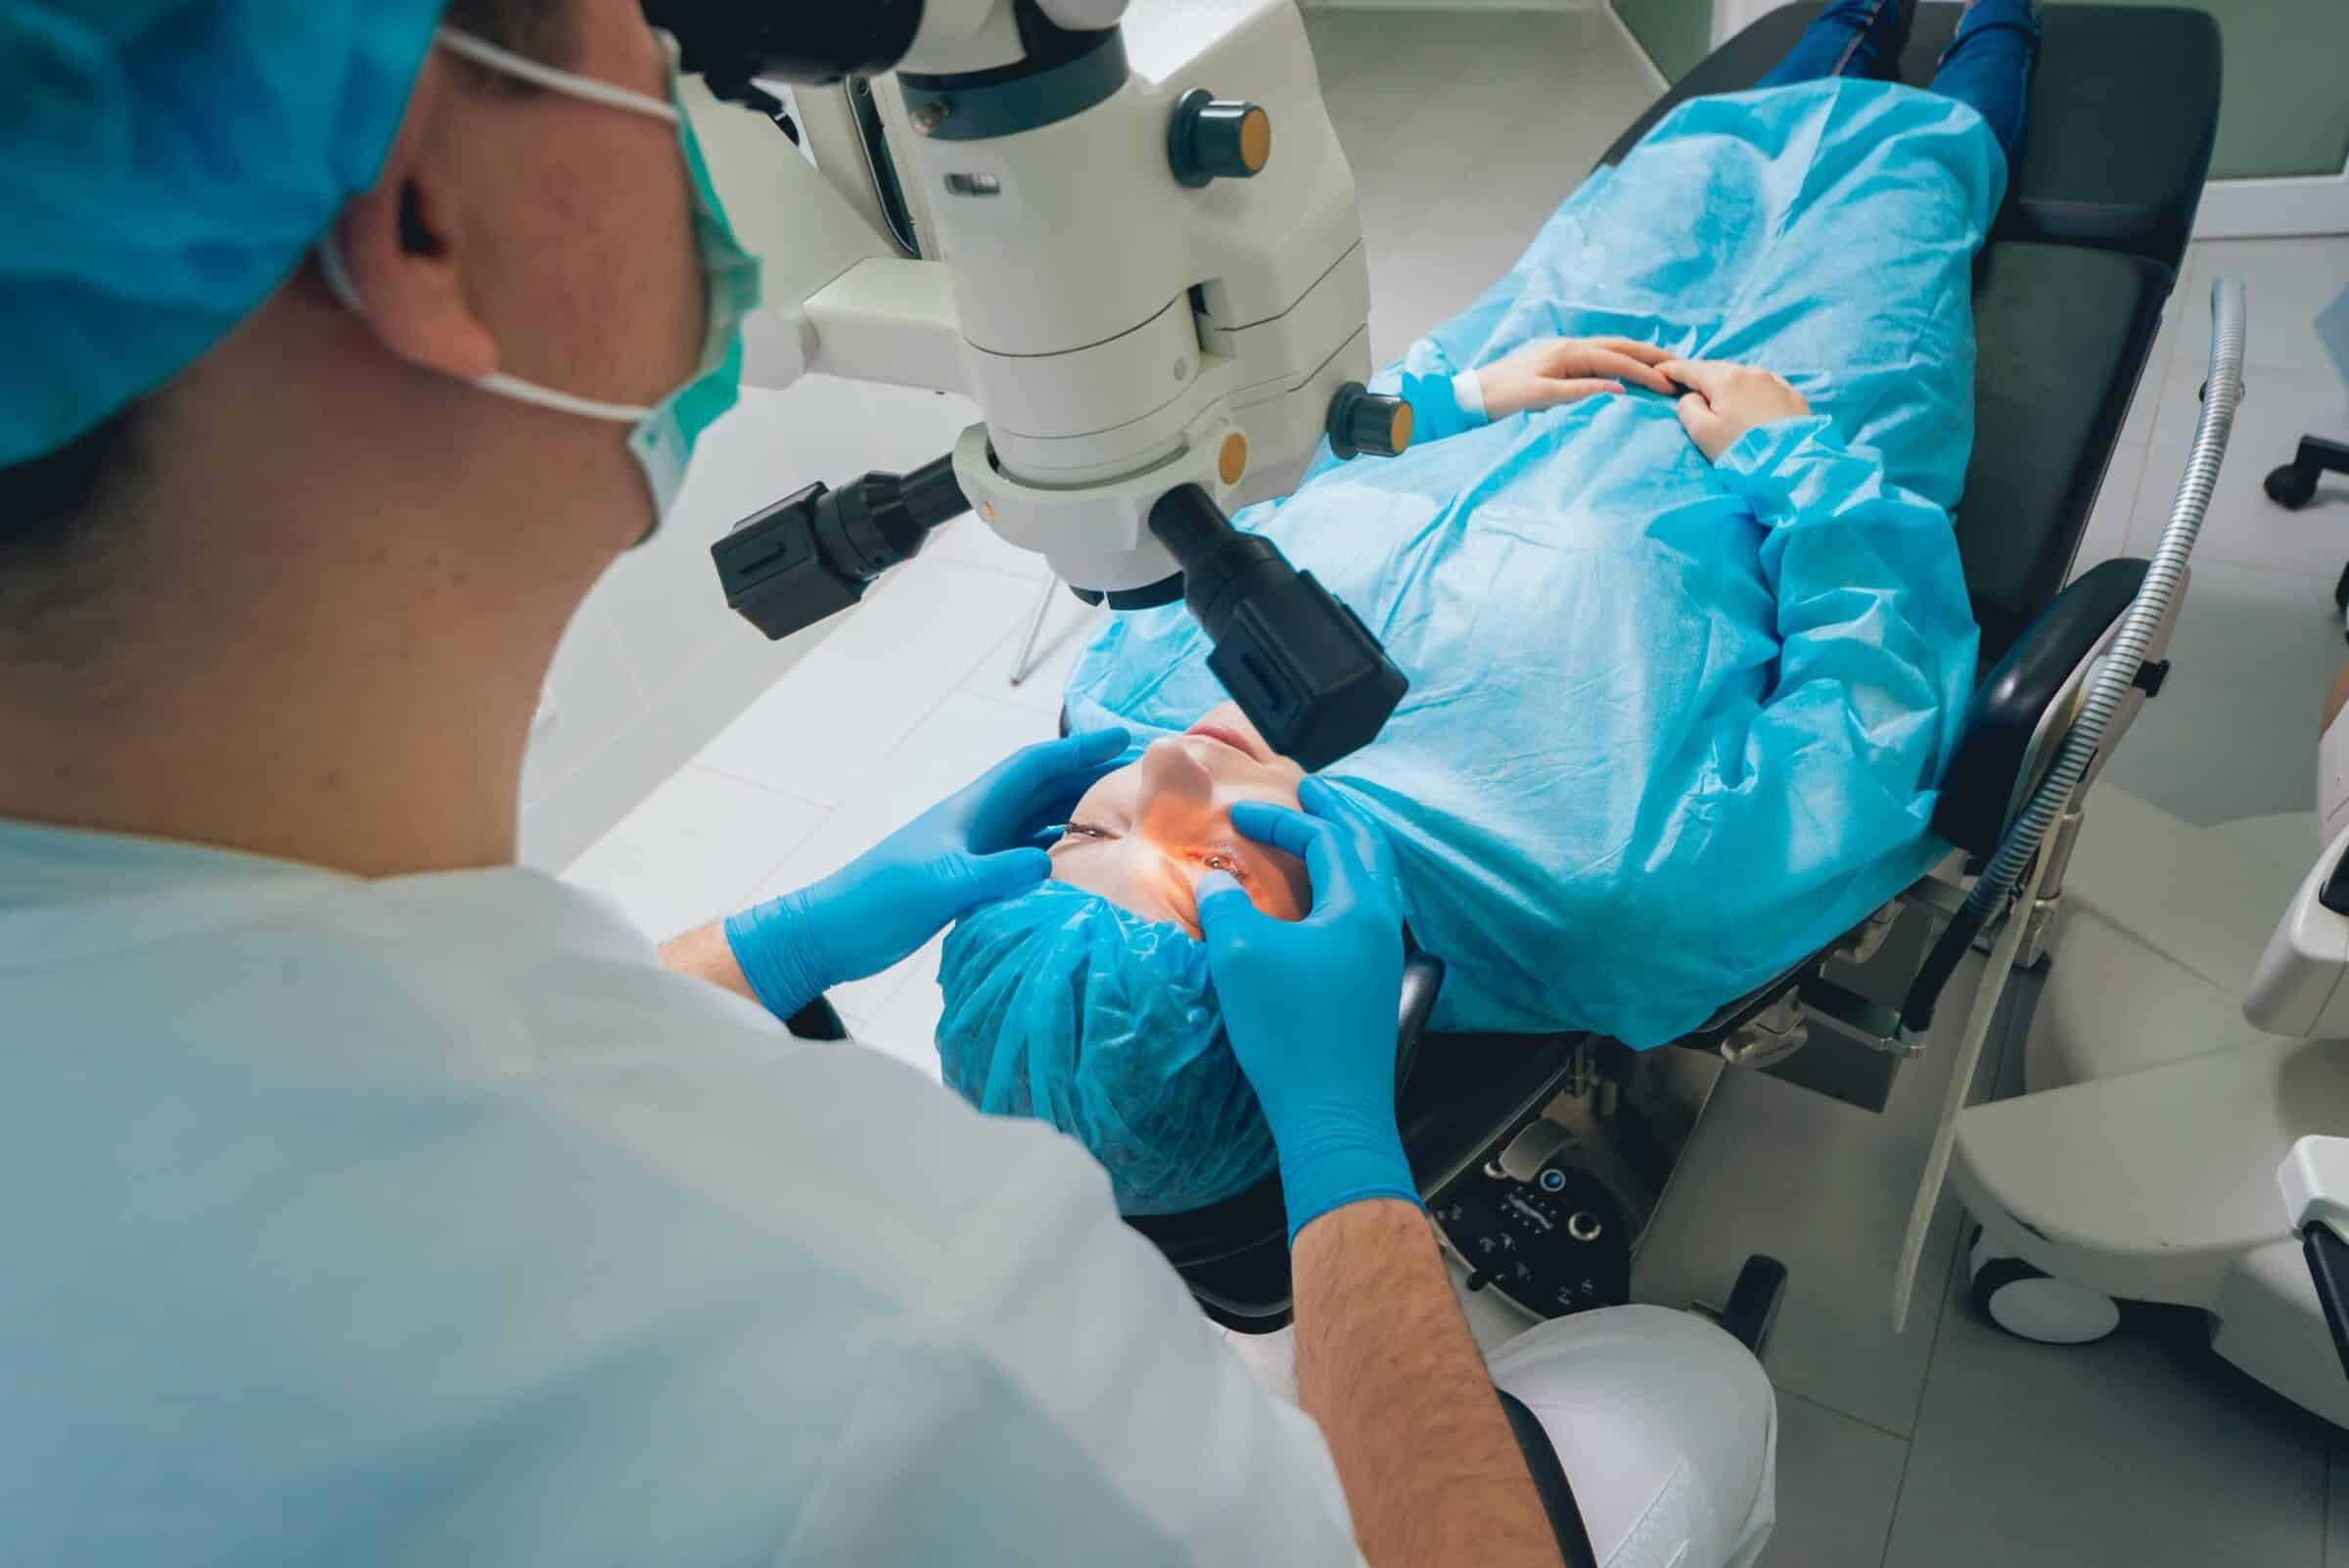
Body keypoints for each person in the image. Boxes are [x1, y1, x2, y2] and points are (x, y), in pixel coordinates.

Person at [0, 2, 1778, 1566]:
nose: (710, 114)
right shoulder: (911, 1353)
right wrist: (1340, 1156)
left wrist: (775, 939)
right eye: (660, 55)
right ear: (425, 221)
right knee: (1683, 1394)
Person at [934, 0, 2044, 1217]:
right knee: (1906, 173)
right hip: (1788, 414)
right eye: (1209, 869)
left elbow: (1272, 496)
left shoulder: (1122, 698)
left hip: (1542, 352)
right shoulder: (1619, 904)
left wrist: (1455, 396)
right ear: (1315, 995)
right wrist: (1802, 463)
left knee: (1699, 158)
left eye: (1092, 837)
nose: (1167, 784)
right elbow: (1871, 722)